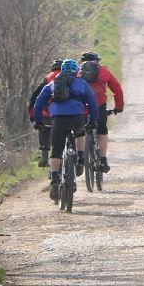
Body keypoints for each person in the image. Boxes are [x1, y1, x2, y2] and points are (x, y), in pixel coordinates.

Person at [33, 59, 98, 202]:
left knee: (56, 151)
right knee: (80, 133)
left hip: (57, 119)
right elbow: (92, 102)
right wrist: (93, 121)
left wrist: (38, 121)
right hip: (76, 116)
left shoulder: (52, 83)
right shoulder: (81, 83)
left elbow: (38, 102)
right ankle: (80, 158)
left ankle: (55, 181)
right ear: (76, 71)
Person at [79, 51, 124, 173]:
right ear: (97, 61)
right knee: (102, 130)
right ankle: (103, 159)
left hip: (82, 107)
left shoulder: (77, 73)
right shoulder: (103, 71)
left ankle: (79, 157)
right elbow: (117, 90)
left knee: (79, 130)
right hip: (99, 106)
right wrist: (118, 107)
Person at [28, 59, 62, 167]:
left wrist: (33, 115)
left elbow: (35, 97)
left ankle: (44, 157)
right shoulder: (69, 77)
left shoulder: (48, 78)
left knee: (44, 129)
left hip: (47, 112)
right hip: (62, 113)